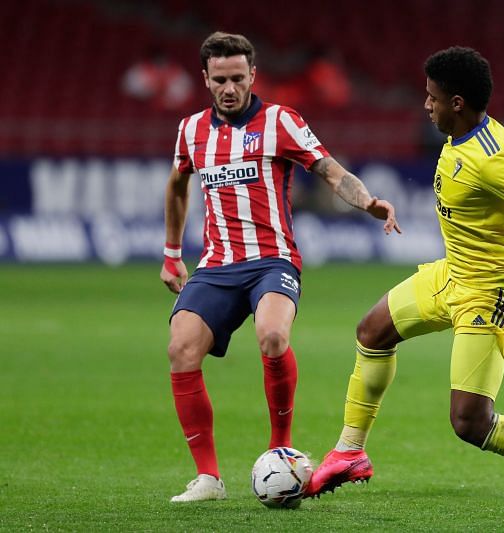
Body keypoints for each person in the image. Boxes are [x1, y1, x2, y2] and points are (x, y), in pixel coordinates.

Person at [305, 47, 504, 522]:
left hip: (490, 293)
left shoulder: (492, 160)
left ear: (457, 103)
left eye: (432, 98)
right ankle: (350, 452)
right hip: (453, 274)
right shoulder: (461, 135)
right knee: (372, 332)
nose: (424, 105)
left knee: (469, 423)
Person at [160, 32, 401, 503]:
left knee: (272, 336)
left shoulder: (280, 122)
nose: (229, 88)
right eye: (219, 80)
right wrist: (172, 252)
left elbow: (331, 170)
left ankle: (280, 450)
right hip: (217, 264)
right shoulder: (191, 130)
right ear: (205, 80)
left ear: (253, 75)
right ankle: (207, 478)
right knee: (180, 349)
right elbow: (176, 185)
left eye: (237, 78)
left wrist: (366, 200)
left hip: (273, 260)